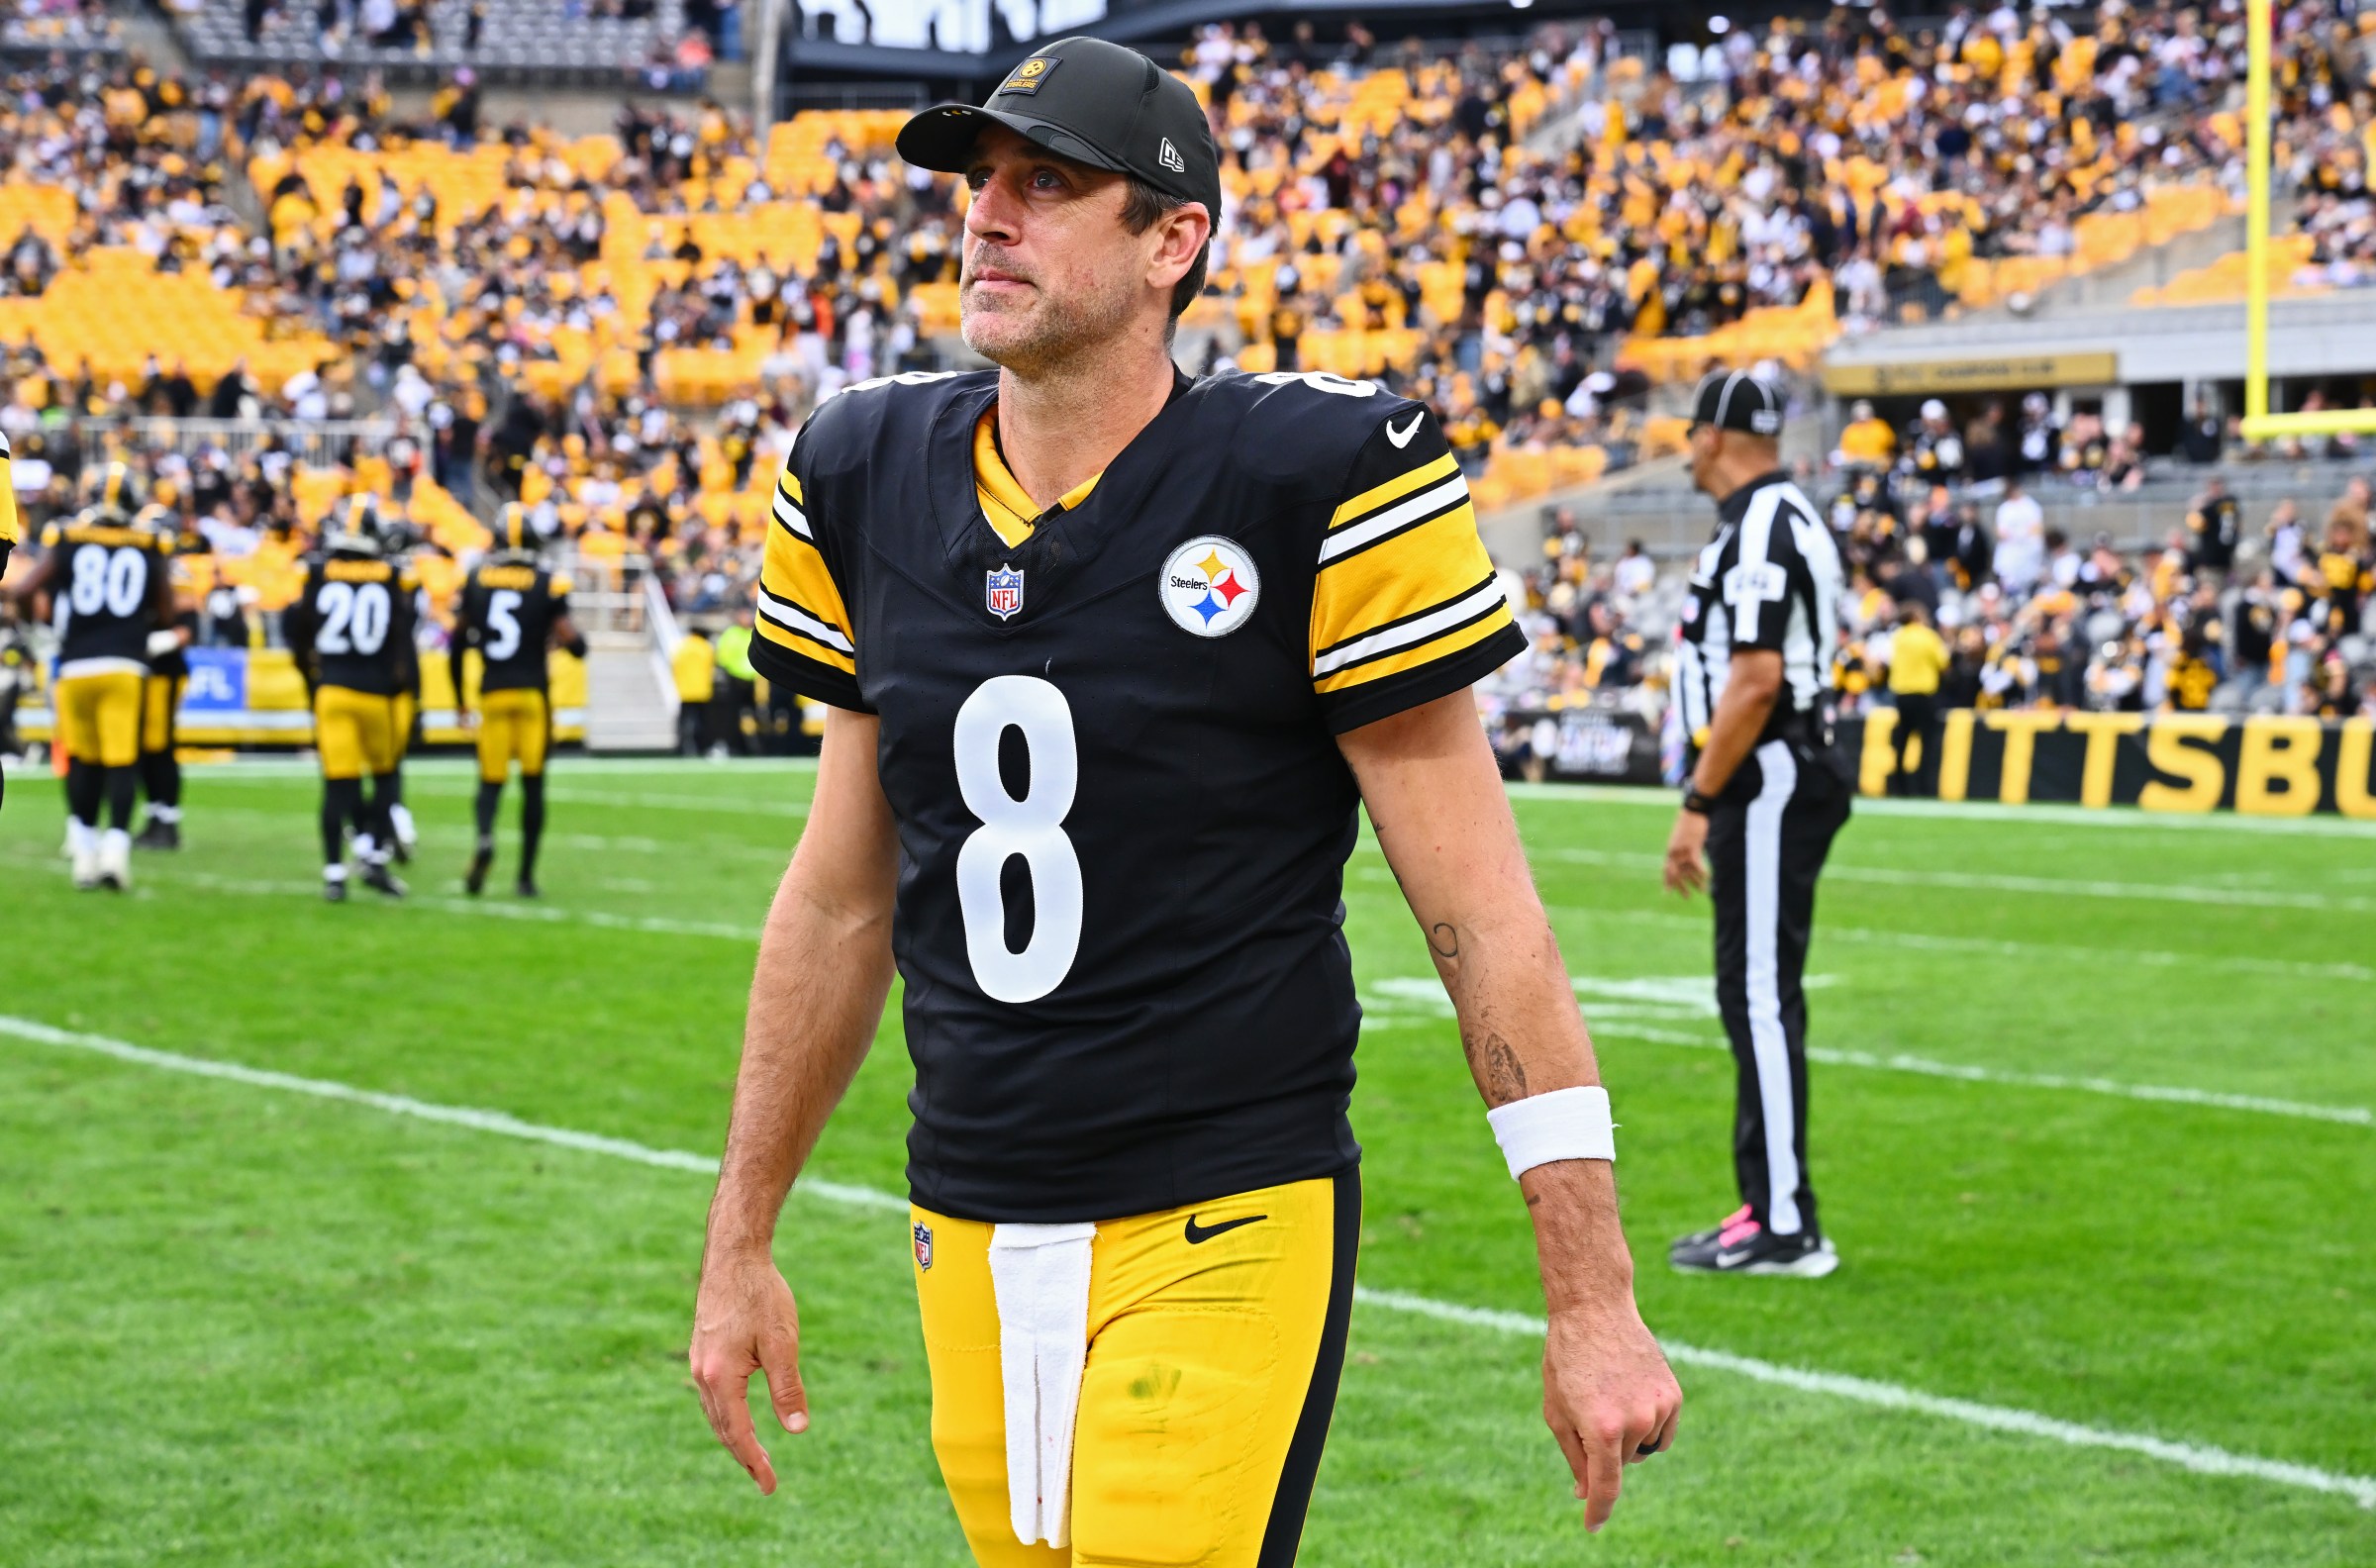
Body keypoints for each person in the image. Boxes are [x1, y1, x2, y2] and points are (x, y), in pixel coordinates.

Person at [687, 36, 1680, 1565]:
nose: (987, 214)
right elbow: (838, 899)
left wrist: (1591, 1292)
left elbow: (1480, 913)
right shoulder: (860, 469)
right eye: (981, 180)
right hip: (964, 1216)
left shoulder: (1315, 475)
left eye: (1047, 184)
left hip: (1223, 1206)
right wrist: (739, 1237)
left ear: (1172, 242)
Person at [1663, 368, 1850, 1276]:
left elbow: (1757, 678)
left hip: (1771, 768)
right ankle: (1765, 1205)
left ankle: (1784, 1221)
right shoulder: (1766, 517)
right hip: (1771, 769)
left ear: (1711, 436)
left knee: (1762, 997)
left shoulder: (1764, 523)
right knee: (1753, 994)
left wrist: (1698, 801)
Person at [6, 462, 173, 887]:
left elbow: (24, 589)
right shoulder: (150, 541)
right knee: (122, 761)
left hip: (75, 662)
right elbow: (167, 610)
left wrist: (38, 631)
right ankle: (115, 853)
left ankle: (83, 853)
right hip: (125, 665)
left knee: (81, 758)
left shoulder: (67, 537)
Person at [283, 494, 415, 902]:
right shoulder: (391, 574)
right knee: (386, 777)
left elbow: (298, 631)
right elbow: (402, 641)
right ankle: (374, 857)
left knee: (336, 785)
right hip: (375, 692)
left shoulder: (317, 571)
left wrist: (313, 678)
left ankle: (334, 874)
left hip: (333, 688)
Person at [454, 502, 583, 897]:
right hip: (531, 694)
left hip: (493, 691)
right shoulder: (547, 581)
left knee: (490, 782)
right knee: (533, 784)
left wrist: (459, 699)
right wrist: (563, 641)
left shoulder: (477, 578)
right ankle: (525, 877)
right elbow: (574, 643)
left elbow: (457, 643)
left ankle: (485, 837)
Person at [132, 501, 198, 850]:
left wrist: (157, 642)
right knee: (143, 747)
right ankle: (155, 815)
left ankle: (167, 821)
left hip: (164, 669)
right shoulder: (139, 562)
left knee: (159, 744)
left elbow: (188, 627)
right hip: (139, 668)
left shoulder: (176, 571)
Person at [1883, 599, 1948, 795]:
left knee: (1902, 741)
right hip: (1924, 694)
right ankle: (1923, 787)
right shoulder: (1928, 636)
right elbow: (1943, 663)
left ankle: (1898, 786)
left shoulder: (1897, 637)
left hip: (1901, 695)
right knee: (1926, 743)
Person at [672, 622, 715, 754]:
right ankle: (701, 747)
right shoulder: (705, 647)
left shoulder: (683, 647)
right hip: (702, 691)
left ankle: (681, 748)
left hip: (685, 690)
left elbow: (674, 666)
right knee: (702, 722)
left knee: (684, 721)